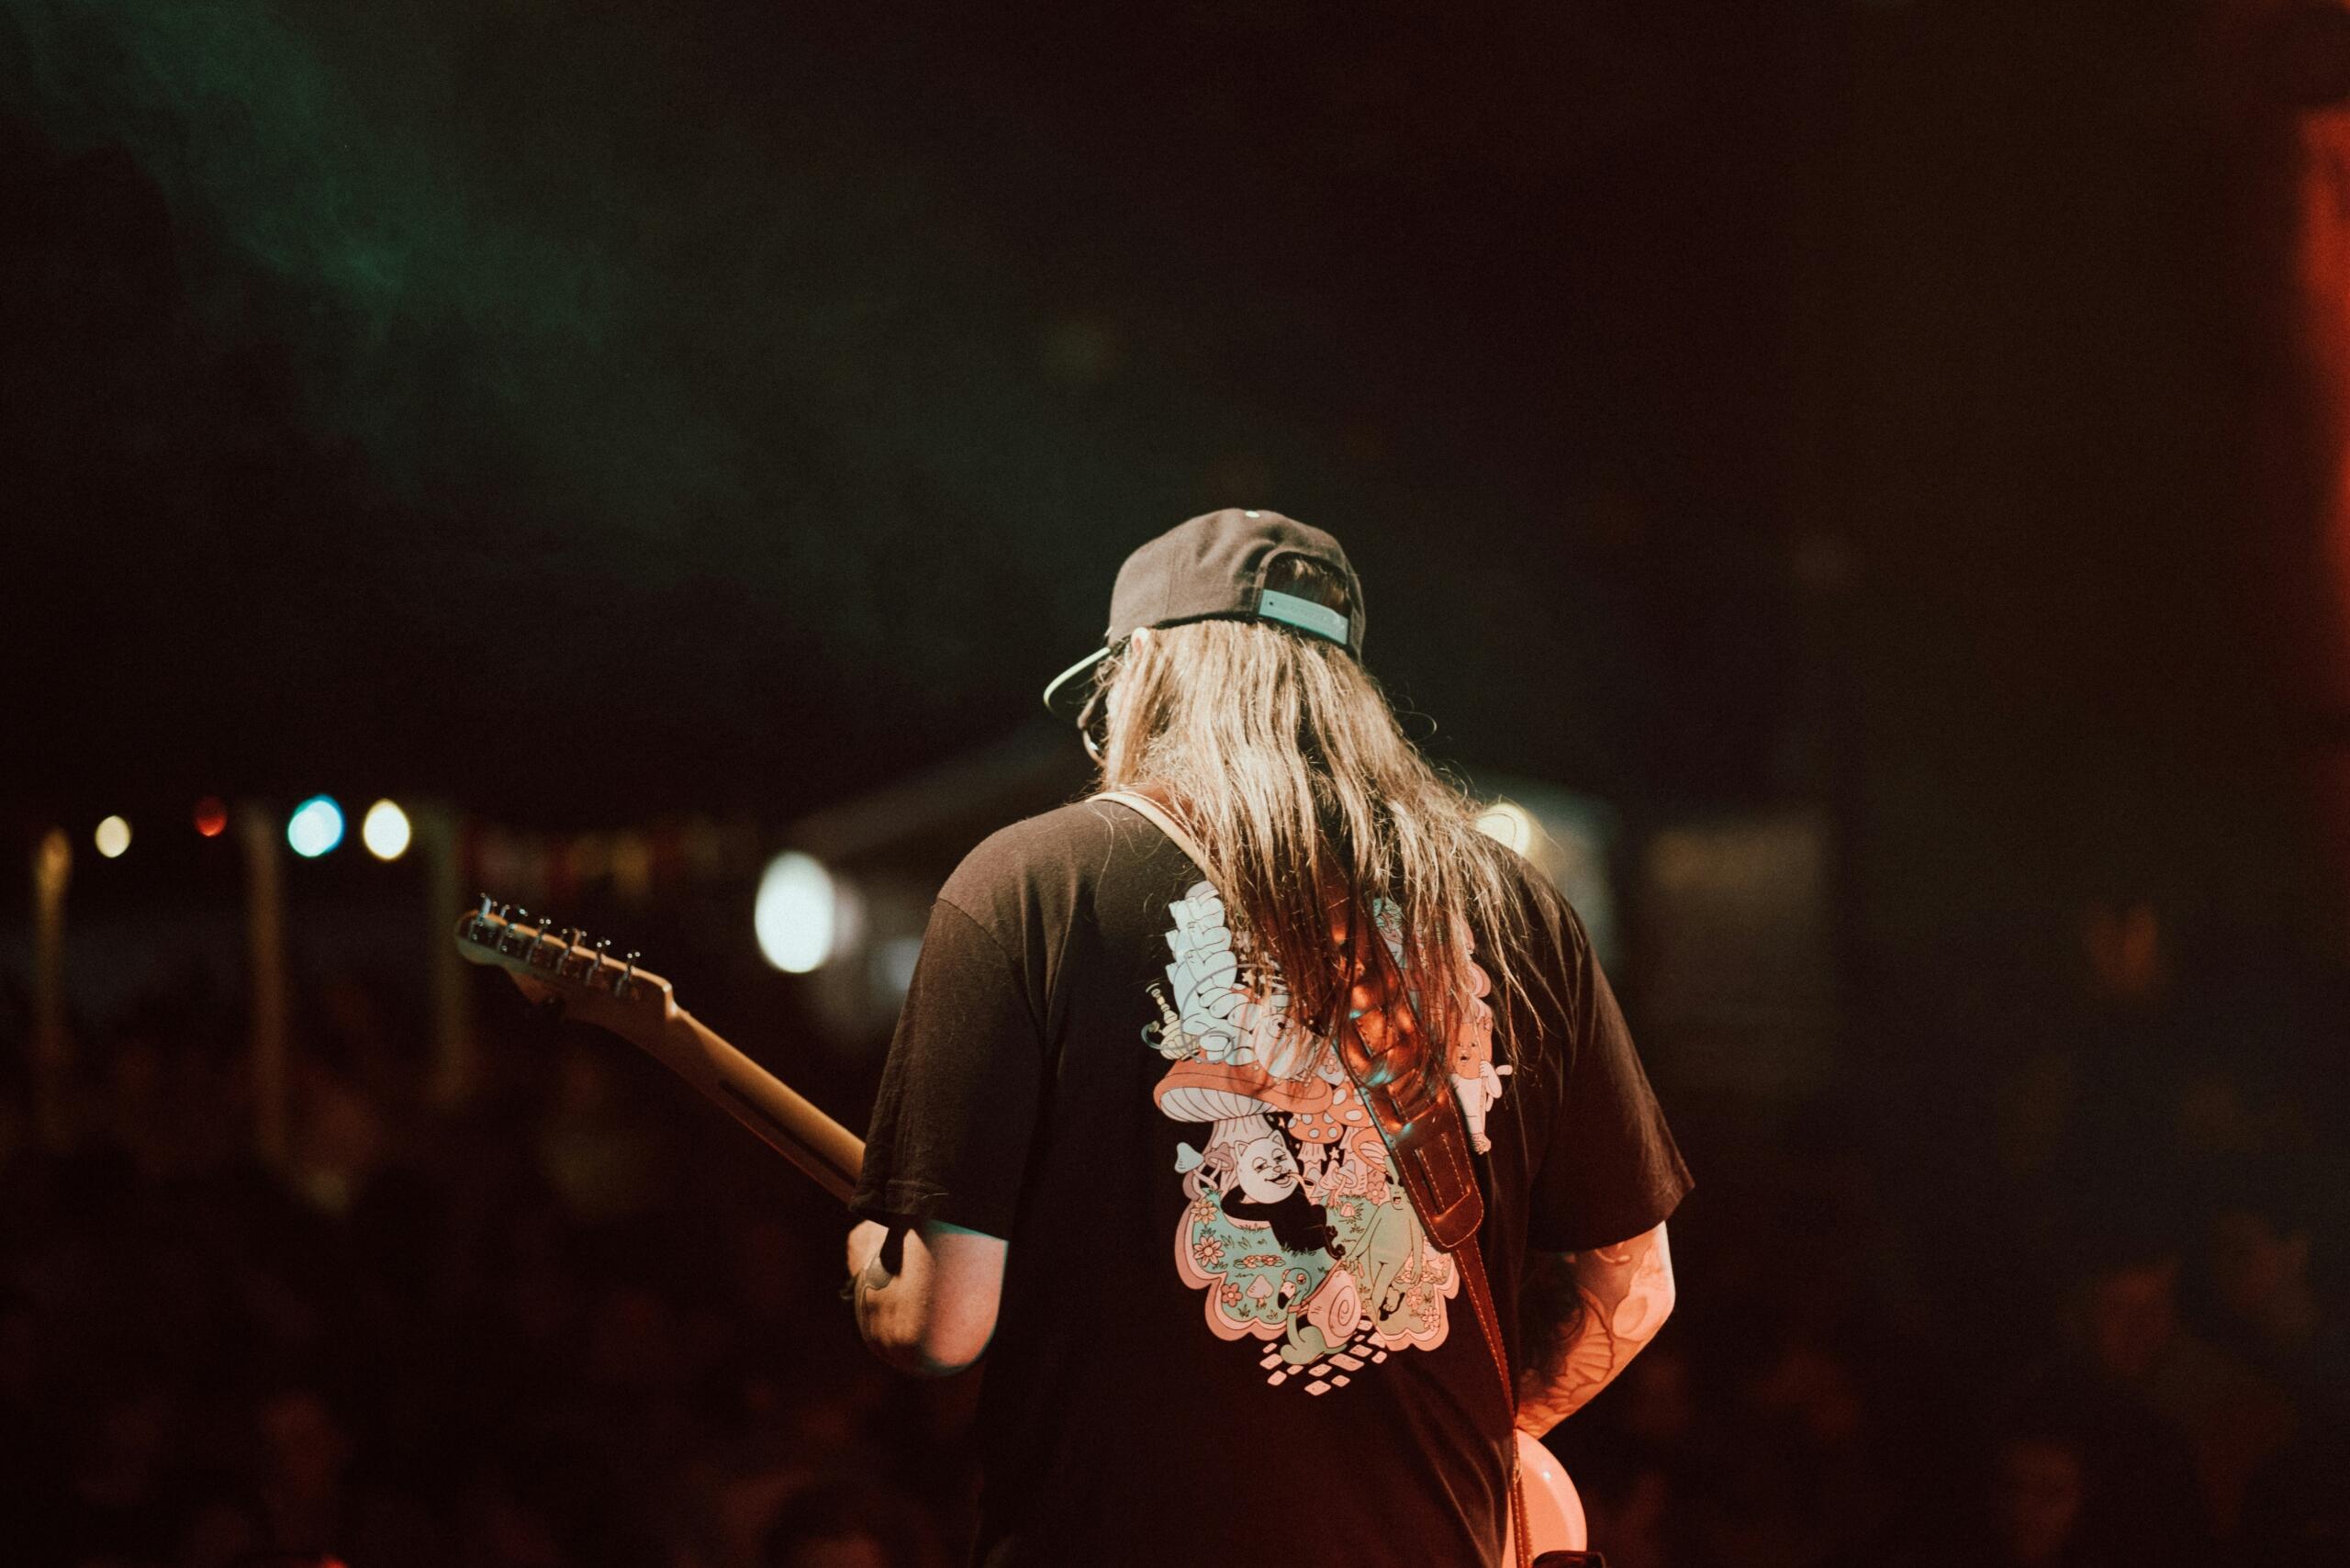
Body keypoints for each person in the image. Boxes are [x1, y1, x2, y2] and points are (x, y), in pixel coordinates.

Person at [845, 510, 1692, 1566]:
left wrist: (877, 1258)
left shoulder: (1028, 887)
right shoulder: (1515, 907)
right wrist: (1469, 1432)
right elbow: (1630, 1283)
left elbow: (934, 1327)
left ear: (1142, 668)